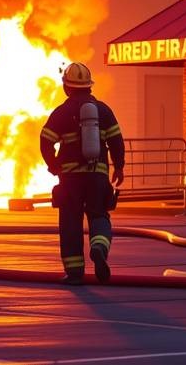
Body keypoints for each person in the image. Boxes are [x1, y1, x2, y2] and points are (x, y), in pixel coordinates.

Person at [40, 62, 125, 285]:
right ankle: (99, 247)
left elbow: (45, 141)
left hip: (70, 180)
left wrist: (53, 165)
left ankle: (75, 272)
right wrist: (120, 166)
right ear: (89, 86)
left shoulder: (61, 112)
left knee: (70, 223)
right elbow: (116, 140)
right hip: (97, 176)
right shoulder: (104, 111)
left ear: (66, 87)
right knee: (99, 215)